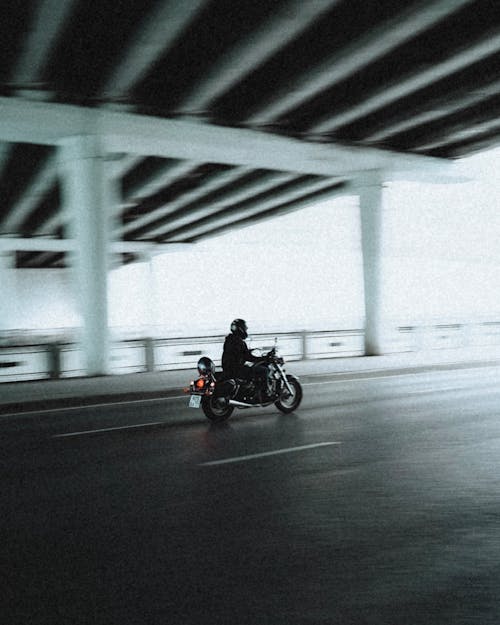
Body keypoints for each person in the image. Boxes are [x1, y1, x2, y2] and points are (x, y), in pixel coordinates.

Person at [222, 318, 270, 399]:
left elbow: (240, 354)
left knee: (252, 369)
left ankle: (250, 390)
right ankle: (264, 395)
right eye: (244, 328)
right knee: (264, 370)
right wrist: (263, 359)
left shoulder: (229, 340)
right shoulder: (239, 341)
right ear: (240, 329)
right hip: (237, 369)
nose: (246, 330)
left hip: (229, 368)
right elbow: (247, 357)